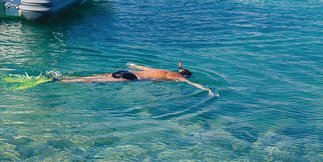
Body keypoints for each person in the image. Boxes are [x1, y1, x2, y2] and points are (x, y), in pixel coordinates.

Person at [57, 62, 216, 96]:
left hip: (125, 71)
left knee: (92, 77)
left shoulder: (162, 70)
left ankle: (64, 78)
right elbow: (192, 84)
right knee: (93, 81)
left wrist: (132, 64)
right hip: (131, 78)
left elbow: (141, 67)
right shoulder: (177, 76)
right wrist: (207, 89)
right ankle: (64, 82)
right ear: (184, 75)